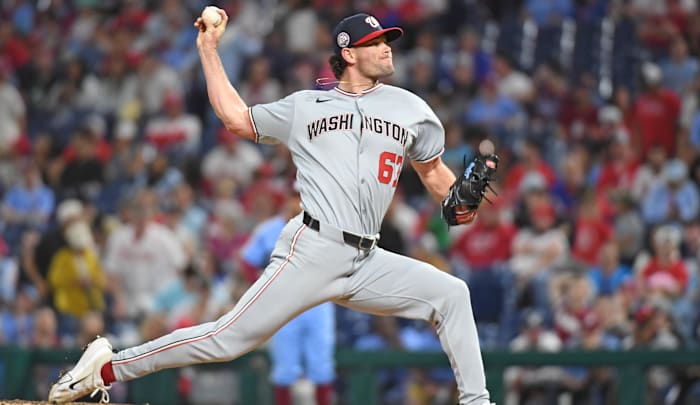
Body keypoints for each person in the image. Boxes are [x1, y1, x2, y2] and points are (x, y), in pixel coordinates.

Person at [48, 10, 495, 405]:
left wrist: (465, 203)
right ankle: (108, 368)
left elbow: (441, 186)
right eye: (375, 42)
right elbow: (236, 118)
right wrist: (208, 49)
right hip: (314, 248)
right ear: (350, 53)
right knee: (226, 340)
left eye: (386, 41)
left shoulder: (411, 109)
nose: (386, 48)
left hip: (367, 257)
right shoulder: (306, 105)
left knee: (452, 294)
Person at [241, 191, 336, 405]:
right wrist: (261, 287)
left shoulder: (324, 227)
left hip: (317, 302)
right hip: (283, 303)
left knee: (322, 366)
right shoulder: (269, 230)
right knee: (285, 367)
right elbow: (248, 260)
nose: (296, 204)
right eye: (293, 198)